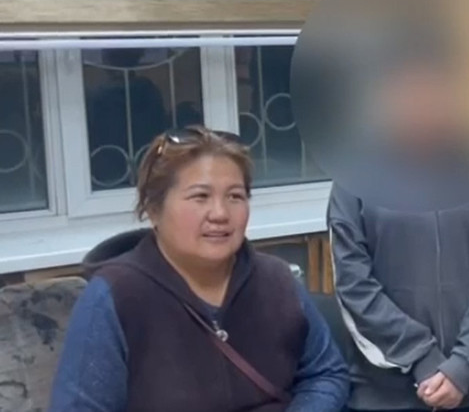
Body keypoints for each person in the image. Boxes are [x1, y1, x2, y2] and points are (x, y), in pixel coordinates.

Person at [49, 126, 351, 412]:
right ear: (153, 209)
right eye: (200, 197)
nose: (220, 214)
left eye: (235, 196)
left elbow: (326, 373)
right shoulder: (115, 296)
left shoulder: (276, 280)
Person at [327, 40, 469, 411]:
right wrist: (424, 359)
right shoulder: (354, 176)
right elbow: (353, 283)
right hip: (388, 394)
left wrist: (463, 366)